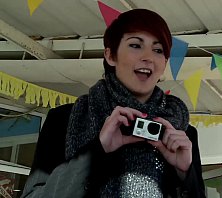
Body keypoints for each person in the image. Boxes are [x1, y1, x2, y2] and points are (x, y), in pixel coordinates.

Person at [21, 9, 205, 198]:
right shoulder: (64, 119)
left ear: (164, 63)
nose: (148, 57)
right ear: (110, 55)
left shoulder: (182, 133)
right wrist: (96, 152)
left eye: (158, 50)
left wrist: (185, 174)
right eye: (135, 45)